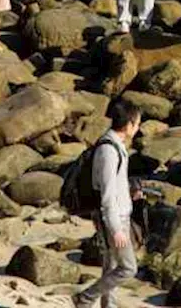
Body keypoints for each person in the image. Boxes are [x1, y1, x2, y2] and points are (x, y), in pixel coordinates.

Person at [73, 99, 142, 308]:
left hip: (120, 213)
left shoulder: (117, 146)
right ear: (129, 124)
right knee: (128, 268)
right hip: (113, 218)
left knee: (111, 265)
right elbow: (107, 193)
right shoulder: (108, 151)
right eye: (137, 123)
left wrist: (131, 193)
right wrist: (115, 229)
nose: (138, 128)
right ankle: (85, 297)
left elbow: (115, 185)